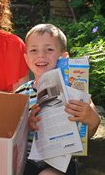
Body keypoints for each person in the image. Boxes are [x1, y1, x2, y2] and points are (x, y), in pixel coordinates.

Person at [15, 23, 101, 175]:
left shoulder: (74, 91)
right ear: (27, 59)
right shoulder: (22, 93)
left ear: (64, 57)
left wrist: (90, 117)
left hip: (62, 163)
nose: (41, 55)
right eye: (34, 50)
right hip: (27, 161)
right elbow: (12, 136)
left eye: (49, 50)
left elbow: (92, 127)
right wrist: (27, 124)